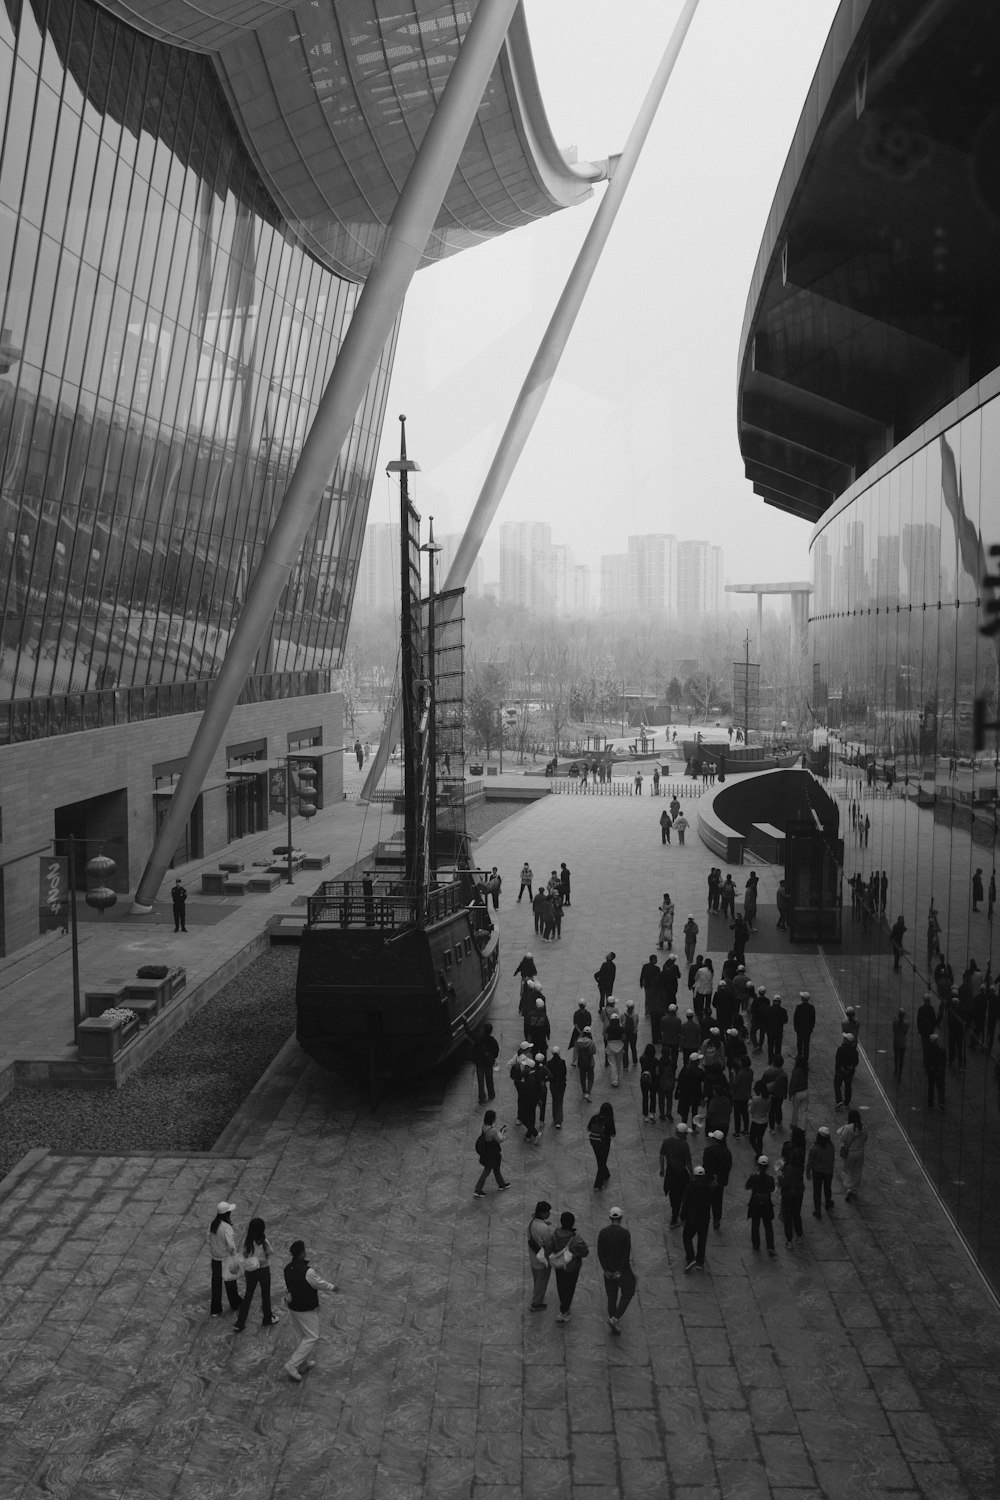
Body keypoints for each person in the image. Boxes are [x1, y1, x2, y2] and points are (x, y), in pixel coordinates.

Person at [282, 1240, 338, 1381]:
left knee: (301, 1335)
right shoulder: (308, 1272)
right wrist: (332, 1287)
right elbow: (319, 1283)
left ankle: (302, 1363)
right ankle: (292, 1364)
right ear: (302, 1253)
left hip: (293, 1306)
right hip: (305, 1307)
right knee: (312, 1336)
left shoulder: (287, 1268)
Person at [234, 1217, 279, 1331]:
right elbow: (271, 1252)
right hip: (263, 1270)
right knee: (265, 1295)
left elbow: (245, 1254)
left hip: (250, 1271)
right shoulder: (264, 1242)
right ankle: (267, 1318)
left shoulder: (248, 1241)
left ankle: (240, 1323)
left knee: (248, 1296)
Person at [597, 1207, 637, 1331]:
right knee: (628, 1292)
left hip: (608, 1271)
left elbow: (600, 1253)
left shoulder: (603, 1233)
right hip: (623, 1271)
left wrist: (606, 1270)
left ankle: (613, 1318)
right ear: (620, 1218)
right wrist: (619, 1271)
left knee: (611, 1297)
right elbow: (626, 1254)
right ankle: (615, 1319)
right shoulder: (625, 1234)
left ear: (610, 1218)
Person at [549, 1211, 590, 1323]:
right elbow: (585, 1252)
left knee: (561, 1286)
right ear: (572, 1223)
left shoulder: (555, 1234)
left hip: (559, 1265)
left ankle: (564, 1305)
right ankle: (564, 1310)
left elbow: (551, 1247)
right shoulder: (576, 1239)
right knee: (570, 1288)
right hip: (572, 1267)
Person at [208, 1201, 242, 1316]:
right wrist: (234, 1257)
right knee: (231, 1282)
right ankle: (235, 1303)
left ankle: (216, 1309)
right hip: (226, 1258)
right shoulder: (227, 1228)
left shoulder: (213, 1224)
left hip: (215, 1258)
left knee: (216, 1284)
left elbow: (208, 1239)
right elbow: (231, 1246)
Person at [659, 1121, 693, 1226]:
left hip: (670, 1172)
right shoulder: (684, 1145)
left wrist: (662, 1169)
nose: (686, 1135)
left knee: (673, 1193)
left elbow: (661, 1156)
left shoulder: (666, 1141)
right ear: (682, 1134)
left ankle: (675, 1211)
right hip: (681, 1174)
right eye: (686, 1133)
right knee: (682, 1195)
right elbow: (688, 1162)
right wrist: (692, 1174)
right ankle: (675, 1219)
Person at [680, 1165, 713, 1271]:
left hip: (692, 1218)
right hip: (704, 1218)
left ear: (694, 1176)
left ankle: (690, 1258)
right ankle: (700, 1261)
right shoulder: (709, 1188)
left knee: (687, 1237)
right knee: (702, 1239)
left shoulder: (690, 1187)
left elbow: (685, 1203)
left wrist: (682, 1217)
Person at [778, 1128, 807, 1248]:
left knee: (787, 1215)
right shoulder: (802, 1151)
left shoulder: (787, 1147)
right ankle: (799, 1235)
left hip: (787, 1188)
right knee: (796, 1213)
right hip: (798, 1189)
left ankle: (789, 1240)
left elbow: (782, 1158)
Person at [473, 1110, 510, 1195]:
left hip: (487, 1153)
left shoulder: (484, 1127)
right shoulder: (492, 1131)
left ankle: (501, 1184)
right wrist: (503, 1133)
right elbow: (499, 1140)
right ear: (492, 1119)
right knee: (487, 1171)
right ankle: (478, 1189)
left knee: (496, 1169)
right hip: (493, 1154)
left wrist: (499, 1132)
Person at [702, 1130, 733, 1231]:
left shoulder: (708, 1151)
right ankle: (717, 1219)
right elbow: (728, 1167)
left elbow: (706, 1166)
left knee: (706, 1200)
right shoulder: (727, 1152)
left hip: (709, 1180)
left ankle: (705, 1219)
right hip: (720, 1182)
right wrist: (718, 1178)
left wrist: (712, 1177)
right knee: (718, 1202)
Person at [745, 1157, 777, 1255]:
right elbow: (772, 1189)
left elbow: (747, 1187)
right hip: (767, 1203)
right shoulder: (770, 1179)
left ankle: (756, 1244)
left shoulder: (753, 1177)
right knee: (768, 1225)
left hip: (755, 1203)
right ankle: (770, 1246)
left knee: (755, 1224)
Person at [527, 1201, 555, 1310]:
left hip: (533, 1255)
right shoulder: (544, 1229)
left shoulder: (532, 1221)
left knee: (537, 1278)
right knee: (541, 1281)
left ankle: (537, 1295)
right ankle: (536, 1303)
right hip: (542, 1258)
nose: (549, 1214)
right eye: (547, 1212)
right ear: (542, 1213)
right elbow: (549, 1244)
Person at [837, 1109, 868, 1202]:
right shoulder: (864, 1128)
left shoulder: (847, 1128)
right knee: (858, 1171)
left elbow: (842, 1139)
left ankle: (849, 1188)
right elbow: (865, 1138)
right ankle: (854, 1189)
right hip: (860, 1153)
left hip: (850, 1153)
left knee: (848, 1170)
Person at [806, 1126, 835, 1217]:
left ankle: (817, 1210)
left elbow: (810, 1161)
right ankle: (828, 1202)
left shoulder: (815, 1148)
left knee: (817, 1191)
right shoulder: (831, 1146)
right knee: (827, 1188)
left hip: (817, 1172)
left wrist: (808, 1172)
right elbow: (832, 1158)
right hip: (828, 1171)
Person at [588, 1101, 616, 1189]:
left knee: (600, 1159)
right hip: (604, 1143)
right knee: (602, 1162)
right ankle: (598, 1185)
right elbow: (613, 1134)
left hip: (594, 1142)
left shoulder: (594, 1118)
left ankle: (606, 1174)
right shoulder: (609, 1121)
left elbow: (589, 1128)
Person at [470, 1021, 499, 1104]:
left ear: (484, 1030)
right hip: (488, 1064)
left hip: (480, 1064)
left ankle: (482, 1098)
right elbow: (496, 1053)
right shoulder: (493, 1041)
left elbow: (469, 1033)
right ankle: (491, 1094)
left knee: (481, 1082)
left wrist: (464, 1022)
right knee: (489, 1080)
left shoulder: (479, 1039)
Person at [834, 1033, 859, 1109]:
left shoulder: (840, 1049)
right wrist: (849, 1068)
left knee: (837, 1086)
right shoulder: (854, 1051)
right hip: (849, 1073)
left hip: (839, 1071)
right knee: (848, 1086)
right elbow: (855, 1062)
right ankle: (847, 1102)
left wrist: (842, 1068)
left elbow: (838, 1059)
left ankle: (839, 1100)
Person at [924, 1031, 946, 1109]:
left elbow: (926, 1062)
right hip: (939, 1071)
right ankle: (941, 1102)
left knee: (931, 1087)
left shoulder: (928, 1051)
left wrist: (928, 1070)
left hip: (932, 1071)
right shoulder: (941, 1050)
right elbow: (944, 1061)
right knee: (940, 1087)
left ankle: (930, 1102)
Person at [575, 1026, 597, 1101]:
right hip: (590, 1062)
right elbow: (594, 1052)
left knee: (582, 1077)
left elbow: (577, 1051)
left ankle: (584, 1091)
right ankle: (588, 1092)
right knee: (590, 1078)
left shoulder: (578, 1042)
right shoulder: (591, 1042)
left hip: (581, 1062)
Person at [793, 991, 816, 1063]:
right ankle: (806, 1057)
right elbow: (813, 1020)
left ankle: (799, 1055)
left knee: (799, 1042)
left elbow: (795, 1018)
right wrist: (811, 1028)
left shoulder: (799, 1007)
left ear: (802, 999)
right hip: (807, 1029)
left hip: (800, 1029)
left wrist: (796, 1027)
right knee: (806, 1043)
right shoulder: (811, 1008)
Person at [891, 1008, 909, 1083]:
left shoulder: (895, 1022)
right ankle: (900, 1075)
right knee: (901, 1060)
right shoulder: (906, 1024)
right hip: (902, 1043)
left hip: (896, 1041)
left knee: (896, 1056)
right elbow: (905, 1032)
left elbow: (894, 1030)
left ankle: (896, 1070)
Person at [623, 1000, 640, 1071]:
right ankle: (635, 1061)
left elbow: (622, 1024)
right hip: (633, 1033)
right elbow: (637, 1023)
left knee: (625, 1050)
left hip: (626, 1034)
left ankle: (625, 1065)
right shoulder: (636, 1015)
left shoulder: (623, 1015)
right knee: (633, 1048)